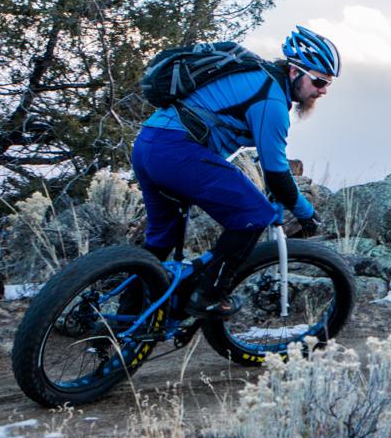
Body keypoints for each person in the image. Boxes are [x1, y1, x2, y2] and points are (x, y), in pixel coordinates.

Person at [130, 26, 340, 317]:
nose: (323, 90)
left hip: (148, 144)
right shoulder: (272, 101)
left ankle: (121, 322)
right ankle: (208, 295)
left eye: (328, 84)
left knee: (160, 240)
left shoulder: (257, 76)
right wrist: (305, 213)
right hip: (176, 152)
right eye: (318, 81)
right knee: (253, 216)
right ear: (294, 72)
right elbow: (277, 172)